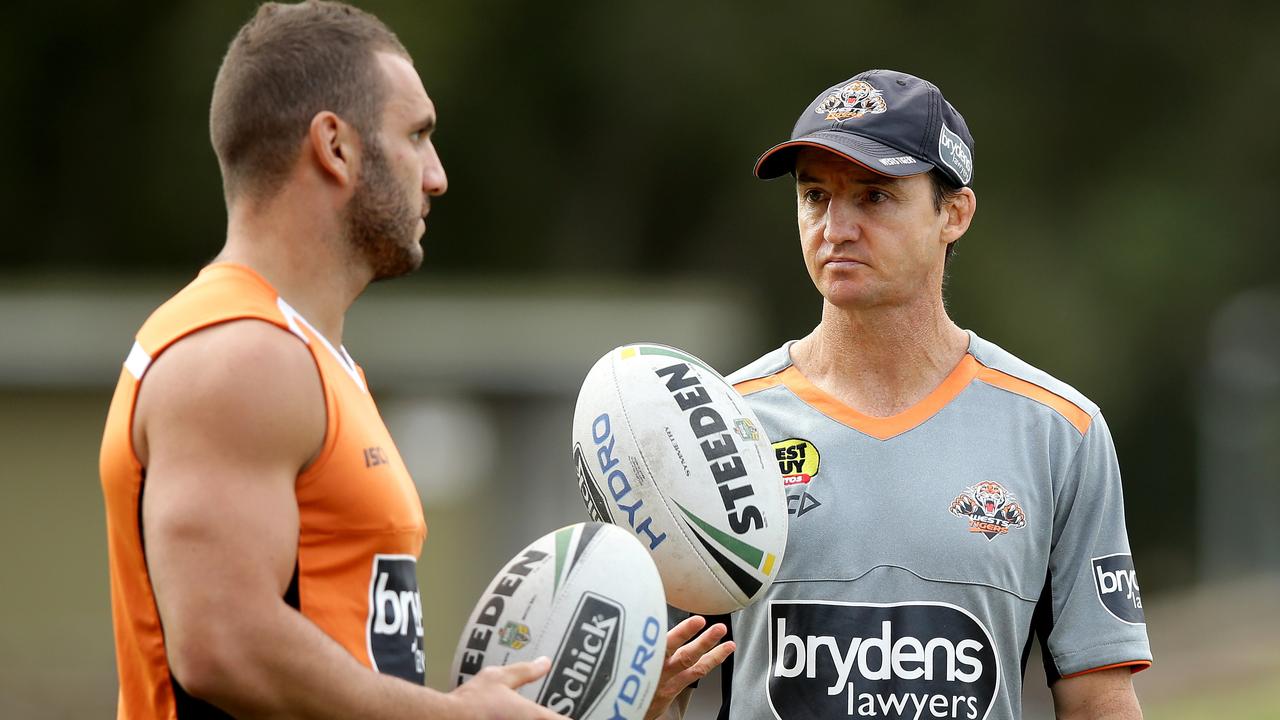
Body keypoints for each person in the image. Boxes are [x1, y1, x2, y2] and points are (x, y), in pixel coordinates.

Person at [98, 2, 723, 718]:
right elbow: (223, 644)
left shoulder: (304, 355)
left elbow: (341, 683)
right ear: (335, 146)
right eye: (417, 136)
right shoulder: (241, 355)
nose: (437, 176)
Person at [673, 70, 1152, 719]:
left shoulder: (1059, 430)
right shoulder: (719, 426)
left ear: (954, 214)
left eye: (873, 197)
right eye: (815, 196)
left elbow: (1099, 698)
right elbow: (658, 690)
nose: (836, 227)